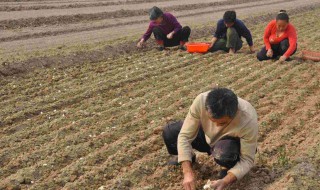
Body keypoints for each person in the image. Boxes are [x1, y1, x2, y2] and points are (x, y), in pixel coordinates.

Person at [162, 87, 258, 190]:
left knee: (224, 152)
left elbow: (247, 159)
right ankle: (188, 156)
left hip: (227, 145)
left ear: (234, 115)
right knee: (170, 133)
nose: (216, 126)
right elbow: (185, 136)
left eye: (222, 123)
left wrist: (225, 181)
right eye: (211, 120)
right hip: (205, 136)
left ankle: (226, 166)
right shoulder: (201, 101)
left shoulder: (247, 119)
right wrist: (187, 172)